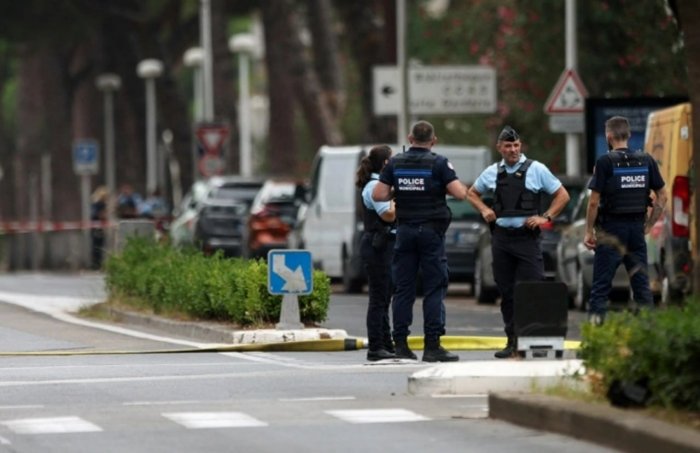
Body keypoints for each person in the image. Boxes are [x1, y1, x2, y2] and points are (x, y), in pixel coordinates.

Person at [466, 125, 570, 358]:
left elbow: (562, 195)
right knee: (507, 291)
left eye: (516, 145)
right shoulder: (492, 171)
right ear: (499, 148)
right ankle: (512, 341)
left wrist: (546, 217)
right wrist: (484, 209)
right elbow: (471, 193)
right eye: (508, 146)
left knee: (532, 288)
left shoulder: (537, 169)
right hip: (502, 239)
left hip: (527, 239)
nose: (512, 150)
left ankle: (534, 341)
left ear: (520, 145)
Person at [372, 120, 469, 362]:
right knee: (434, 287)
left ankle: (401, 344)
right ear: (433, 140)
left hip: (404, 231)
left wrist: (400, 190)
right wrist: (437, 187)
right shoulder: (439, 163)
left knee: (404, 288)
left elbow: (379, 194)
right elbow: (460, 193)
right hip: (431, 233)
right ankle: (432, 345)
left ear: (410, 138)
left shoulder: (395, 163)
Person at [583, 116, 666, 325]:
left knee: (601, 288)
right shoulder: (647, 160)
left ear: (608, 136)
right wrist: (649, 225)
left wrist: (588, 232)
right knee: (641, 287)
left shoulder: (604, 162)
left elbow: (593, 202)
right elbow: (662, 196)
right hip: (636, 230)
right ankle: (648, 333)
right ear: (628, 135)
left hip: (611, 231)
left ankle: (596, 334)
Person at [356, 145, 397, 361]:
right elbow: (388, 214)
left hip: (382, 245)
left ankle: (386, 343)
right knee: (378, 298)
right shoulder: (375, 185)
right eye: (393, 160)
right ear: (385, 164)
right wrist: (399, 198)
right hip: (378, 246)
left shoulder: (380, 184)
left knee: (384, 296)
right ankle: (376, 346)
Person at [90, 186, 109, 270]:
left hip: (94, 227)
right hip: (99, 227)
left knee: (95, 246)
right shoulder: (101, 204)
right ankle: (97, 264)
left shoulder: (94, 203)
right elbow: (101, 215)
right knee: (99, 246)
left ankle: (95, 263)